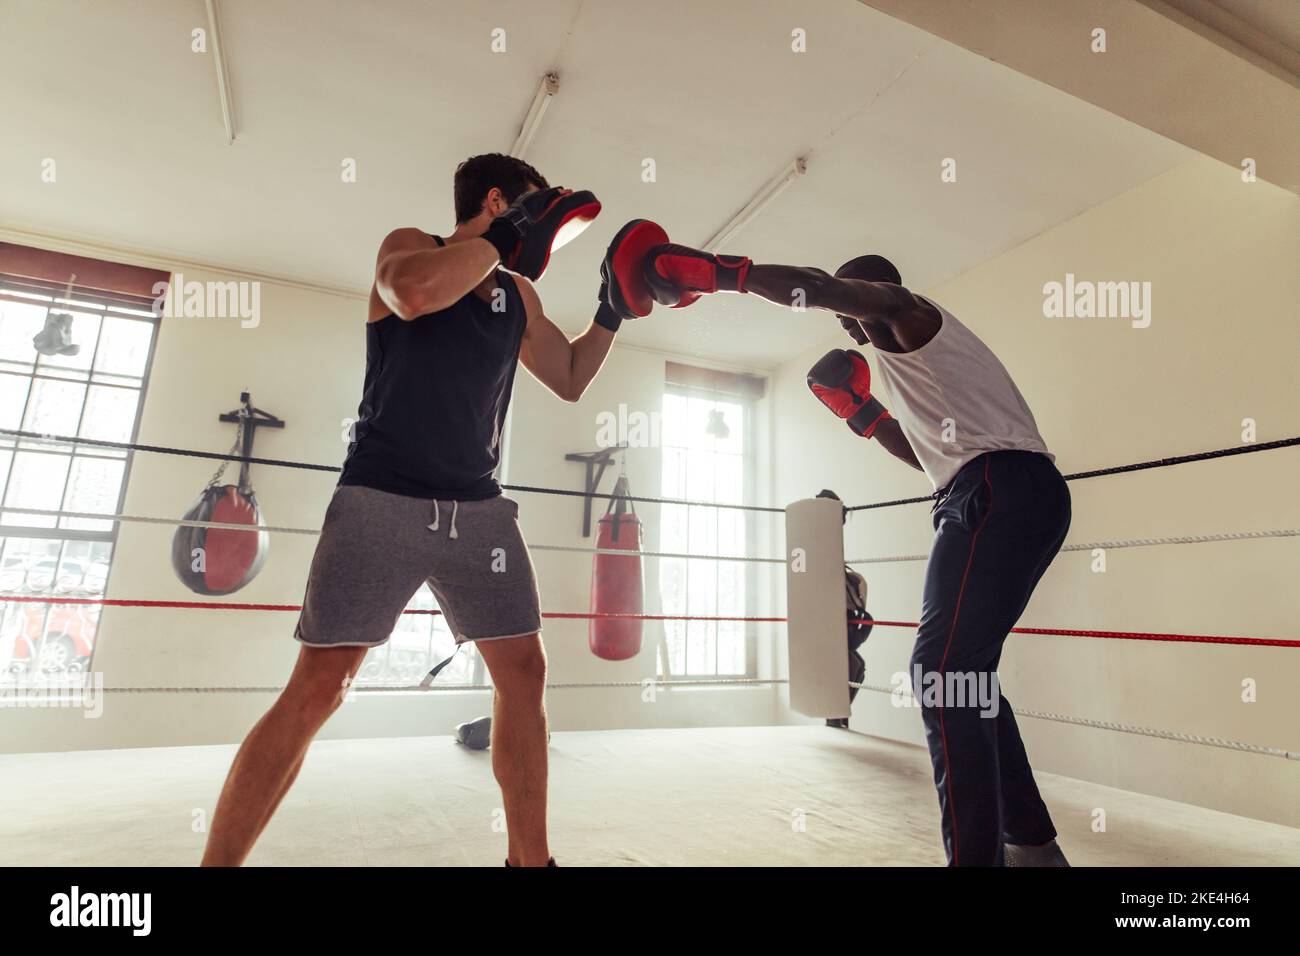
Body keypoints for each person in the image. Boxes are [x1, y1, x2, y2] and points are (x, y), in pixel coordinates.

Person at [202, 153, 628, 868]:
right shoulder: (413, 247)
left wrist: (613, 309)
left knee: (523, 673)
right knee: (321, 688)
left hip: (480, 508)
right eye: (532, 214)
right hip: (381, 497)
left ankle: (532, 862)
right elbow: (409, 295)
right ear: (496, 202)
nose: (542, 239)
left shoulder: (517, 297)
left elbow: (571, 377)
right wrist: (499, 241)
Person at [644, 245, 1071, 867]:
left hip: (997, 489)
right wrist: (861, 413)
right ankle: (1032, 846)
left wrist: (718, 275)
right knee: (965, 674)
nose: (840, 315)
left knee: (943, 673)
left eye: (848, 298)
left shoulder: (911, 315)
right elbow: (930, 455)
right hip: (996, 490)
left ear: (871, 289)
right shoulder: (915, 362)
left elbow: (820, 287)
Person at [814, 489, 873, 730]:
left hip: (840, 622)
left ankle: (837, 720)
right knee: (842, 666)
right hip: (823, 620)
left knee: (852, 665)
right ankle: (834, 720)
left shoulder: (852, 579)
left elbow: (862, 612)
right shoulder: (813, 549)